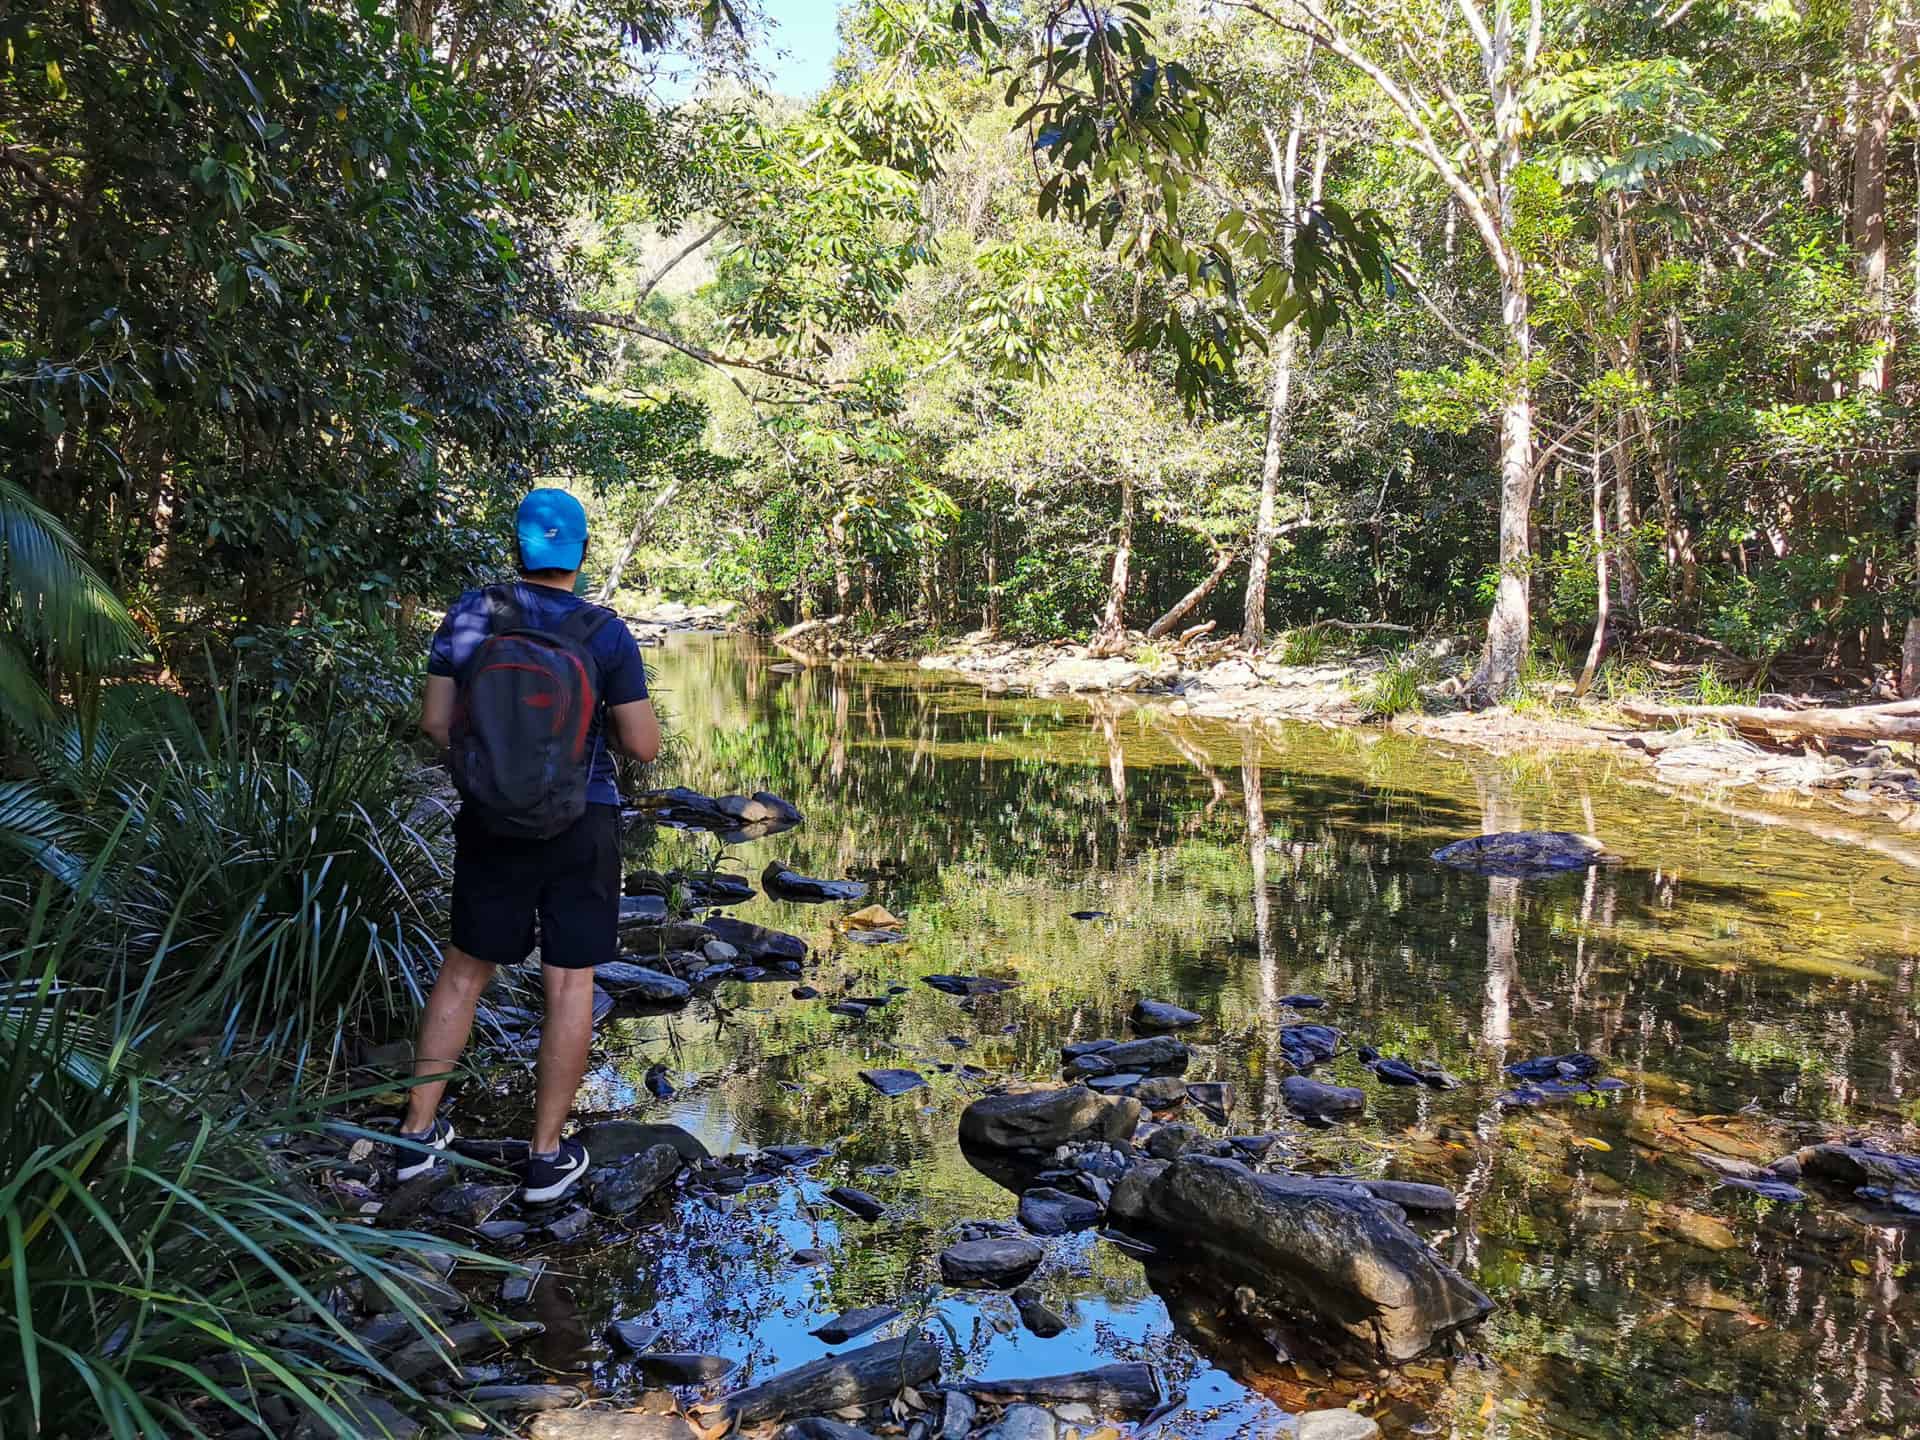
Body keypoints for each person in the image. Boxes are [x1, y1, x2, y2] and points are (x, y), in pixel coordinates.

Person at [395, 488, 660, 1204]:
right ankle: (545, 1158)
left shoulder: (470, 615)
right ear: (579, 553)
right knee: (570, 983)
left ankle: (415, 1139)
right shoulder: (603, 633)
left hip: (491, 822)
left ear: (518, 548)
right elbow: (641, 744)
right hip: (583, 819)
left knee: (462, 973)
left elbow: (434, 723)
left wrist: (497, 763)